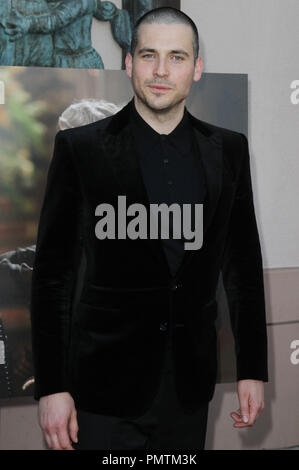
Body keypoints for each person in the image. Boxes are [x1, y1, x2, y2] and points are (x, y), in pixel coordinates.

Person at [30, 7, 268, 450]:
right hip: (102, 389)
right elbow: (52, 278)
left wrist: (252, 368)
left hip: (189, 388)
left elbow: (243, 269)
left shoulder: (229, 150)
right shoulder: (80, 149)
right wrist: (51, 386)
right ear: (129, 63)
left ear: (197, 68)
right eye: (149, 55)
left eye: (177, 57)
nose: (161, 71)